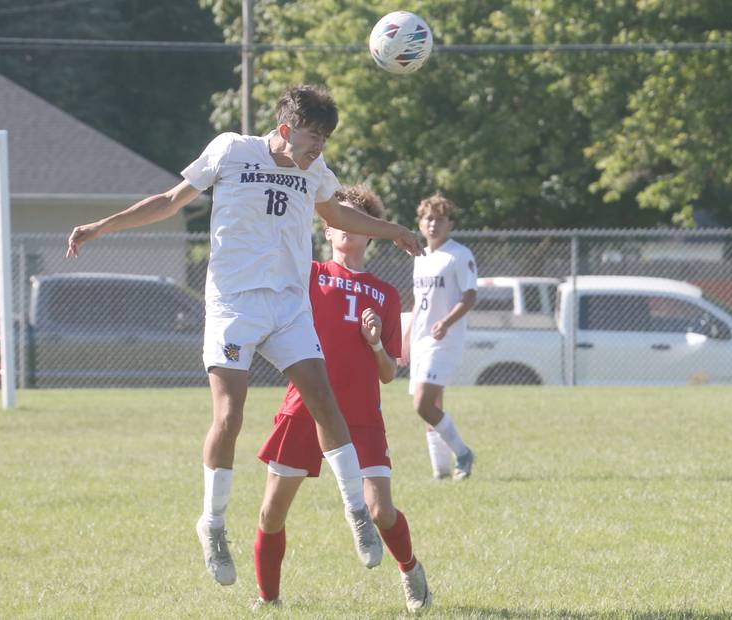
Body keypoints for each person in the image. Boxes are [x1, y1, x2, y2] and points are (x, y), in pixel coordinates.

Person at [65, 85, 424, 587]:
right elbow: (171, 201)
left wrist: (396, 231)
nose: (318, 147)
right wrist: (102, 226)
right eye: (312, 136)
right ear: (284, 129)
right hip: (234, 305)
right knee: (230, 414)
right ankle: (211, 524)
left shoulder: (316, 173)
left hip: (287, 306)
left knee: (324, 400)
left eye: (324, 138)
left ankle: (356, 513)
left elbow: (338, 214)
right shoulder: (231, 150)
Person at [253, 185, 431, 613]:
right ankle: (268, 599)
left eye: (354, 222)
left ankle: (410, 570)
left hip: (360, 417)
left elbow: (389, 373)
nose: (343, 228)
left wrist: (374, 344)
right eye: (337, 221)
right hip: (304, 408)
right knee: (271, 515)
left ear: (369, 233)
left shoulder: (384, 294)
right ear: (328, 231)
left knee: (379, 510)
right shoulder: (309, 274)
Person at [400, 194, 477, 481]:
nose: (433, 224)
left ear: (450, 224)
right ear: (420, 224)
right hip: (421, 340)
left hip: (444, 340)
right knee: (433, 408)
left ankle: (463, 452)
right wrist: (406, 338)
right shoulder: (421, 258)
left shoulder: (459, 255)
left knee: (422, 404)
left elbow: (470, 296)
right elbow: (419, 305)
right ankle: (441, 472)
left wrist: (446, 322)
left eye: (440, 219)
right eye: (428, 219)